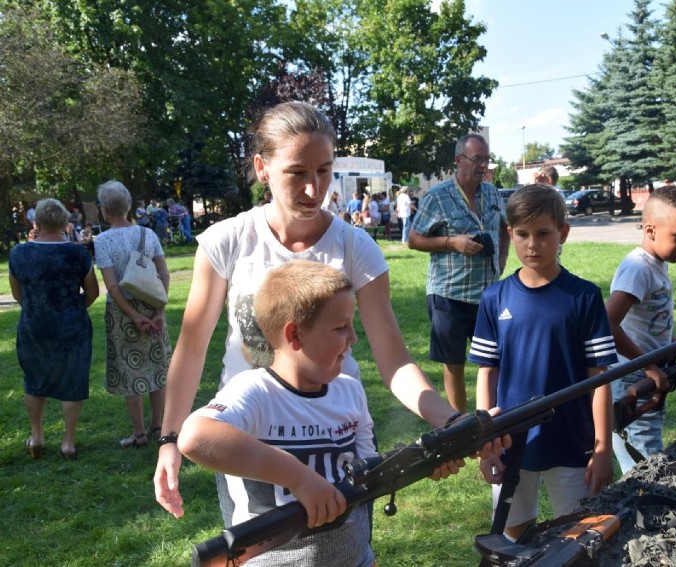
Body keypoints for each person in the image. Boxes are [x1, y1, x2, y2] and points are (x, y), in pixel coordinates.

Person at [154, 102, 504, 524]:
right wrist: (170, 439)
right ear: (262, 168)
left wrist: (451, 421)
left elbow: (393, 361)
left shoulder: (356, 247)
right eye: (297, 172)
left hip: (337, 440)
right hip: (249, 438)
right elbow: (191, 348)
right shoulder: (227, 241)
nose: (313, 188)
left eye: (323, 170)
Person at [179, 260, 375, 566]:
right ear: (294, 335)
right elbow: (194, 437)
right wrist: (298, 478)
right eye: (341, 328)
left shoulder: (351, 390)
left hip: (352, 557)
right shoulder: (255, 392)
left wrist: (427, 463)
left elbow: (368, 472)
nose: (353, 338)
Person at [471, 185, 617, 539]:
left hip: (572, 442)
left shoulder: (583, 296)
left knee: (580, 536)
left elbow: (599, 379)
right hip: (509, 444)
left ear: (562, 233)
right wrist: (485, 444)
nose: (532, 243)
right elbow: (486, 373)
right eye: (522, 234)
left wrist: (602, 447)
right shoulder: (495, 298)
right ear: (510, 234)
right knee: (512, 534)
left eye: (543, 233)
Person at [606, 186, 676, 473]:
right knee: (645, 462)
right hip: (633, 379)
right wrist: (649, 365)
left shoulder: (656, 265)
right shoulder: (638, 268)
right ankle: (640, 511)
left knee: (646, 453)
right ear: (650, 230)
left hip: (649, 375)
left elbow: (649, 326)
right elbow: (607, 323)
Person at [408, 133, 510, 412]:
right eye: (477, 159)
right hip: (448, 294)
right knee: (454, 364)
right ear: (458, 160)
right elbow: (414, 239)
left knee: (492, 360)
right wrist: (452, 242)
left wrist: (501, 260)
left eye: (487, 160)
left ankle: (492, 418)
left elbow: (505, 226)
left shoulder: (491, 193)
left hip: (487, 293)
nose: (483, 166)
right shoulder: (437, 197)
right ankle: (462, 426)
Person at [9, 198, 100, 460]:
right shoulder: (78, 253)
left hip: (34, 325)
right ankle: (68, 443)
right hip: (72, 326)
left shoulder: (18, 254)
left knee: (34, 380)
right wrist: (72, 308)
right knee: (72, 381)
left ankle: (36, 438)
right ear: (64, 222)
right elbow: (92, 292)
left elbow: (18, 295)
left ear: (36, 222)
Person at [94, 181, 172, 448]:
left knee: (131, 369)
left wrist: (131, 315)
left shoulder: (102, 241)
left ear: (104, 211)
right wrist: (158, 311)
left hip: (122, 312)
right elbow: (164, 274)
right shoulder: (148, 234)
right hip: (152, 304)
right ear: (128, 206)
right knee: (156, 364)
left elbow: (112, 285)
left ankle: (139, 433)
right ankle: (158, 424)